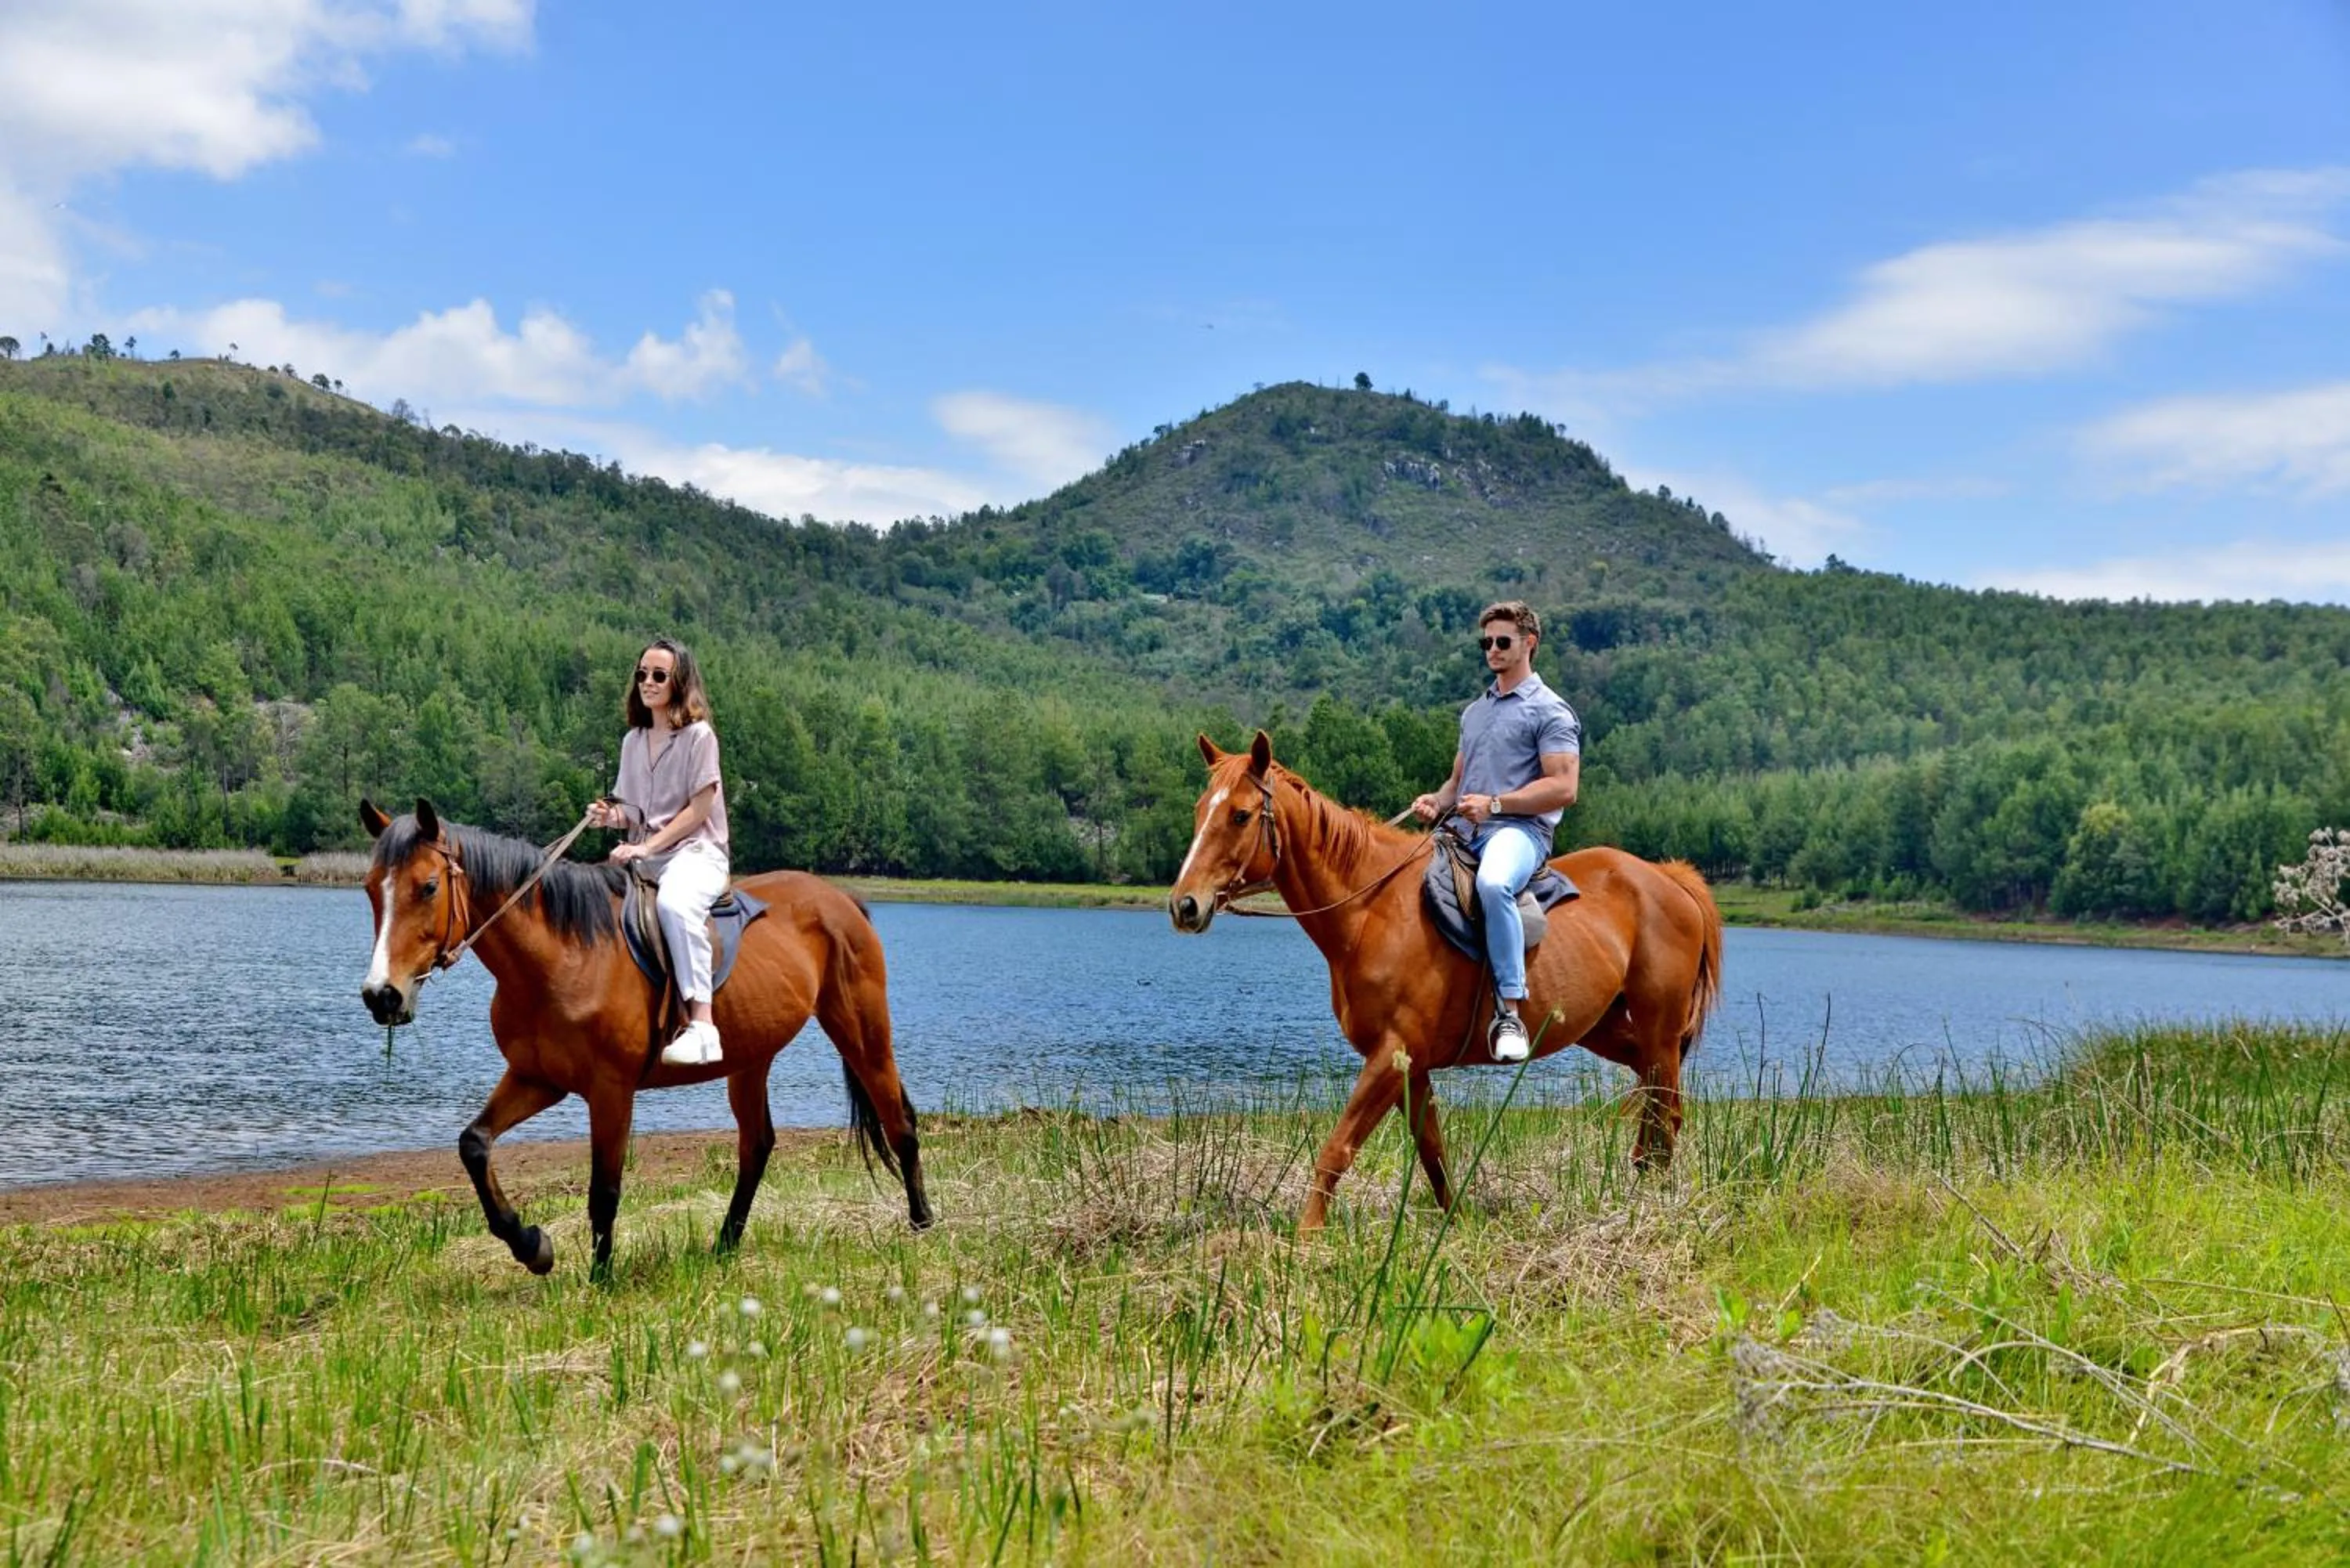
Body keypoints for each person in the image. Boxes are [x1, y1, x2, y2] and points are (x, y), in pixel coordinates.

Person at [1409, 601, 1582, 1063]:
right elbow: (1456, 783)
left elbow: (1564, 787)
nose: (1492, 650)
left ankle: (1508, 1013)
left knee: (1493, 883)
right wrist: (1437, 801)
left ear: (1530, 644)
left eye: (1502, 641)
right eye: (1486, 642)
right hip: (1463, 830)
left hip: (1519, 832)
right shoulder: (1474, 712)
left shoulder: (1550, 711)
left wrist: (1497, 805)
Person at [587, 638, 732, 1067]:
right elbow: (631, 809)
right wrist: (608, 816)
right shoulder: (633, 740)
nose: (647, 683)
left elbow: (699, 809)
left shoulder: (699, 736)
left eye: (658, 675)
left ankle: (703, 1027)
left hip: (697, 852)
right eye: (641, 674)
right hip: (644, 855)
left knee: (674, 904)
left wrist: (645, 845)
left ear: (679, 681)